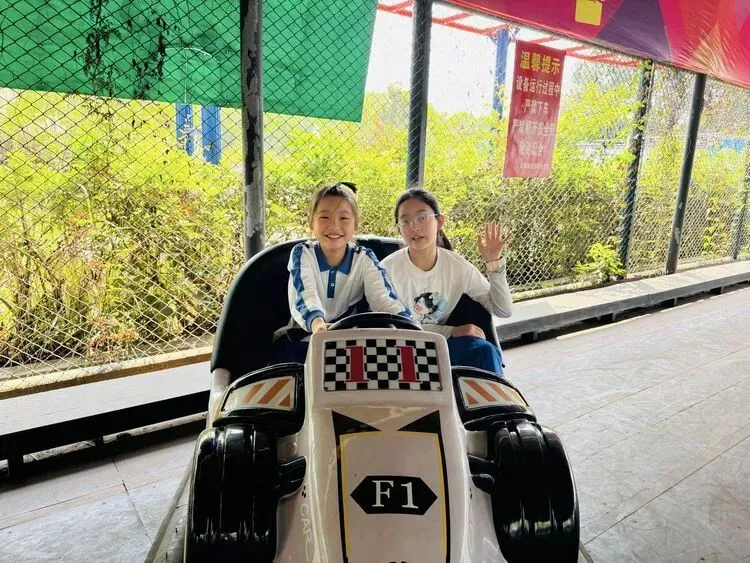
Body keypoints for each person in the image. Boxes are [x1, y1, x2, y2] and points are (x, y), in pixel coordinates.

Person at [274, 182, 411, 363]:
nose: (334, 226)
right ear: (311, 221)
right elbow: (305, 295)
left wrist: (408, 325)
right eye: (324, 217)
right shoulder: (302, 254)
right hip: (303, 338)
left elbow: (383, 299)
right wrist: (318, 326)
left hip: (348, 342)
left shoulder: (364, 258)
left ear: (356, 223)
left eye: (344, 218)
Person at [381, 188, 512, 374]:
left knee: (484, 352)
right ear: (398, 227)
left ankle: (494, 394)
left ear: (440, 221)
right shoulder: (387, 270)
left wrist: (494, 263)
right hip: (400, 352)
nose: (414, 227)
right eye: (405, 221)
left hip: (441, 347)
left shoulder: (456, 266)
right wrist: (451, 331)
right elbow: (396, 329)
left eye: (422, 217)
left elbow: (503, 310)